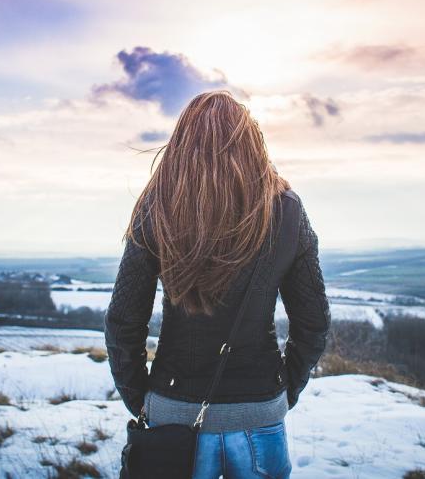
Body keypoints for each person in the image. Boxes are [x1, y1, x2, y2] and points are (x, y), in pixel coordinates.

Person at [105, 90, 331, 479]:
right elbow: (313, 322)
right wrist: (279, 392)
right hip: (260, 407)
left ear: (181, 144)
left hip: (172, 411)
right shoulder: (286, 210)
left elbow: (122, 322)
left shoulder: (158, 206)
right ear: (251, 143)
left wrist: (142, 399)